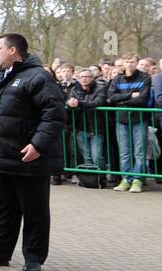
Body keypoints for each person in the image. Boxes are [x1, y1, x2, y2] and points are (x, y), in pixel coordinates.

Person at [0, 33, 65, 271]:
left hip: (29, 160)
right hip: (3, 158)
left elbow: (54, 114)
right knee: (4, 209)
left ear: (13, 50)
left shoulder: (38, 77)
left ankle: (33, 257)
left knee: (34, 211)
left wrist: (38, 145)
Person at [103, 52, 154, 192]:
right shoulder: (117, 79)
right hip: (122, 119)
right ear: (123, 63)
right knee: (124, 152)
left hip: (139, 119)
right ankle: (126, 178)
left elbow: (142, 99)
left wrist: (122, 100)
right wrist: (130, 95)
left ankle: (137, 179)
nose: (129, 64)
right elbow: (111, 97)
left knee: (139, 151)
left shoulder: (145, 78)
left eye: (132, 61)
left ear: (137, 63)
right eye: (127, 61)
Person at [65, 67, 107, 187]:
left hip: (96, 127)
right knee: (86, 156)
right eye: (81, 77)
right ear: (77, 79)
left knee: (97, 156)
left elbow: (98, 103)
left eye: (87, 76)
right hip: (80, 127)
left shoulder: (100, 89)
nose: (84, 79)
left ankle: (102, 178)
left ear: (92, 78)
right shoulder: (74, 90)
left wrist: (79, 104)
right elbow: (69, 101)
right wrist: (69, 103)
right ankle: (90, 180)